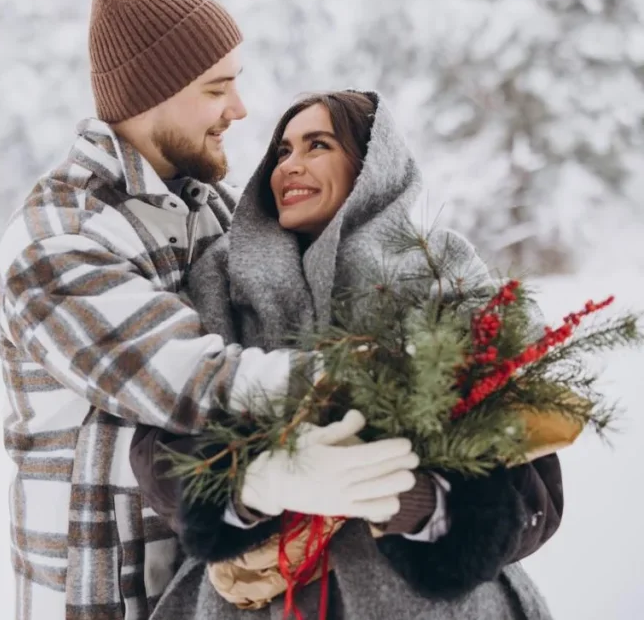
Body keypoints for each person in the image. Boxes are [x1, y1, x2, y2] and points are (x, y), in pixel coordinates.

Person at [0, 0, 420, 620]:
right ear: (149, 96)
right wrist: (384, 379)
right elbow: (191, 377)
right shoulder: (57, 236)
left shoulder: (211, 211)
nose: (240, 109)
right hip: (107, 596)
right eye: (217, 88)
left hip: (211, 590)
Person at [130, 90, 563, 620]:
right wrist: (251, 486)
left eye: (318, 145)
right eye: (282, 151)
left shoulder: (444, 273)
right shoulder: (219, 279)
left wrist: (417, 503)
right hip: (259, 601)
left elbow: (535, 490)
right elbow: (159, 444)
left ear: (371, 167)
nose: (291, 165)